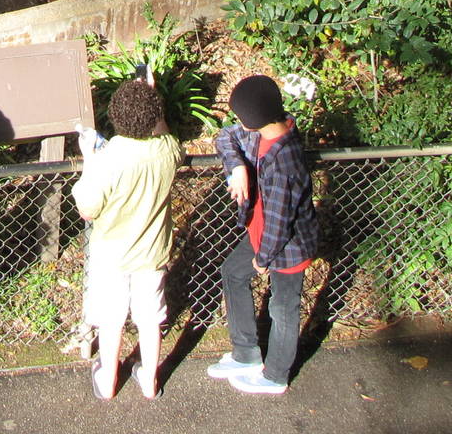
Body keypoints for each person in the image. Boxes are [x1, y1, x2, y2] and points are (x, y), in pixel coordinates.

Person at [71, 75, 181, 401]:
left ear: (115, 116)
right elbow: (164, 137)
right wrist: (151, 95)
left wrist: (90, 157)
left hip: (113, 253)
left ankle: (108, 380)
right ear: (156, 116)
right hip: (152, 251)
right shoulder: (169, 149)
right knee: (150, 318)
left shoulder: (110, 159)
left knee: (111, 317)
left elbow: (88, 208)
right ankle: (149, 379)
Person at [207, 74, 318, 396]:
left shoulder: (285, 161)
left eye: (241, 117)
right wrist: (237, 168)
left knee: (283, 307)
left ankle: (276, 375)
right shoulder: (262, 135)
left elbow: (281, 221)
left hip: (287, 247)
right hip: (261, 236)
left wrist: (263, 258)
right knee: (232, 272)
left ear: (253, 120)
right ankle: (246, 354)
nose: (238, 123)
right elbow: (226, 137)